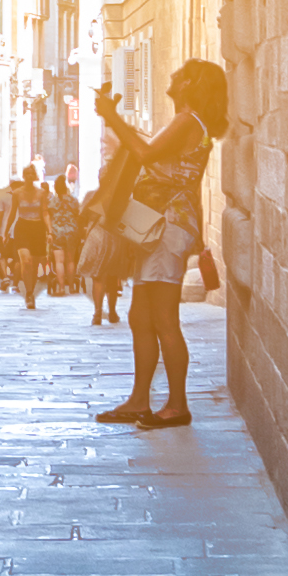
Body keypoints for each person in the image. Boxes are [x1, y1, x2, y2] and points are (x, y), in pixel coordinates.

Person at [87, 61, 226, 426]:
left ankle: (178, 405)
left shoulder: (188, 122)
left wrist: (111, 117)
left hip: (168, 227)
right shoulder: (191, 123)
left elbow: (145, 154)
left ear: (191, 84)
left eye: (180, 73)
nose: (172, 75)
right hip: (160, 226)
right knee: (140, 317)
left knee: (164, 319)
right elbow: (148, 151)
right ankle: (139, 399)